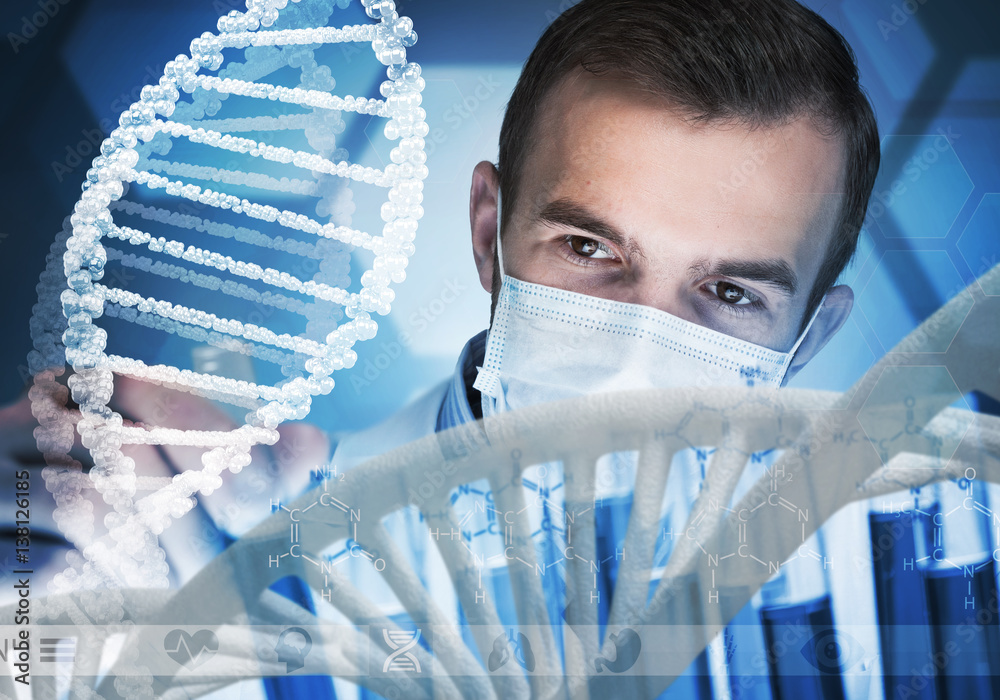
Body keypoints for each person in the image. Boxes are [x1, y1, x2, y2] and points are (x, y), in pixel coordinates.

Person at [0, 0, 879, 697]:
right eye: (589, 250)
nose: (636, 360)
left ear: (808, 339)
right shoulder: (256, 550)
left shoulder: (897, 605)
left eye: (730, 294)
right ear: (488, 230)